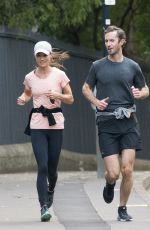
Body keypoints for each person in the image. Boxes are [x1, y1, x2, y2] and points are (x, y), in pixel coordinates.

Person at [82, 25, 149, 221]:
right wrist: (95, 101)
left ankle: (122, 208)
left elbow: (145, 88)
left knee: (127, 169)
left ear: (122, 42)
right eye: (106, 41)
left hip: (128, 123)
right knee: (113, 173)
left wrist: (141, 93)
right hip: (107, 125)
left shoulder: (132, 66)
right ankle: (110, 184)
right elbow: (86, 88)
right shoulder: (97, 66)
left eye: (112, 40)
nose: (108, 44)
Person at [17, 41, 74, 222]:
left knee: (52, 169)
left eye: (44, 55)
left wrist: (58, 96)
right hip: (37, 125)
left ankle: (51, 188)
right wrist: (23, 98)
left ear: (50, 56)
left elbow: (70, 99)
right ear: (35, 57)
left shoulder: (60, 75)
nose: (42, 58)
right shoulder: (30, 77)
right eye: (38, 55)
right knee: (42, 166)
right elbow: (27, 92)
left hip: (55, 124)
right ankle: (43, 207)